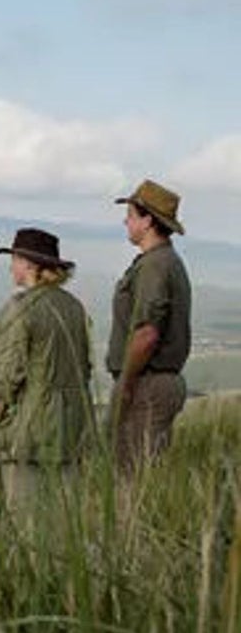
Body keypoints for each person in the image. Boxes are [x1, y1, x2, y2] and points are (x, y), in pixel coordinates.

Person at [0, 228, 95, 516]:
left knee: (26, 527)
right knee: (65, 526)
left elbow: (5, 380)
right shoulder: (75, 308)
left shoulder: (20, 308)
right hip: (72, 435)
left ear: (30, 265)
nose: (11, 266)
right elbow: (85, 369)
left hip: (28, 439)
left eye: (16, 259)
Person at [107, 179, 191, 475]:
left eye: (130, 215)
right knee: (145, 475)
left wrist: (127, 384)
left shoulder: (155, 265)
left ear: (147, 220)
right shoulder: (164, 261)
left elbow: (147, 334)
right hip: (153, 383)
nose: (125, 221)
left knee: (130, 477)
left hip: (146, 383)